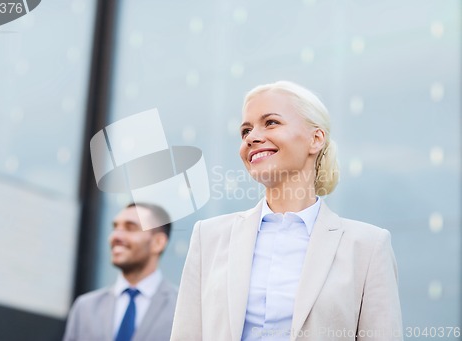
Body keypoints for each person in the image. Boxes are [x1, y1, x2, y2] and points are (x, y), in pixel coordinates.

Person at [171, 81, 403, 340]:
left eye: (270, 122)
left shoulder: (368, 247)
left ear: (315, 139)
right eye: (245, 130)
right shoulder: (208, 237)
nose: (252, 138)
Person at [63, 203, 177, 341]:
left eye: (130, 228)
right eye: (115, 228)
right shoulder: (85, 307)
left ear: (158, 242)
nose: (115, 236)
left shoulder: (181, 308)